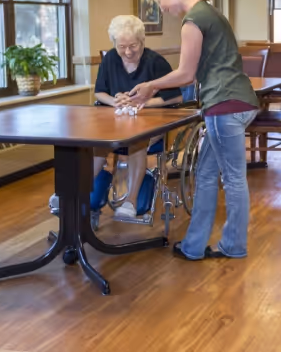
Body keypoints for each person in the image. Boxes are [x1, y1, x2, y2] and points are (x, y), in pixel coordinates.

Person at [129, 0, 259, 261]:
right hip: (236, 102)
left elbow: (186, 74)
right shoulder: (209, 13)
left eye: (159, 0)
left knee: (234, 179)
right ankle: (194, 246)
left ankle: (234, 246)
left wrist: (150, 85)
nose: (161, 8)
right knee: (206, 173)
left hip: (224, 105)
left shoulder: (193, 20)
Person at [48, 16, 181, 220]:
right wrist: (115, 101)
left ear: (142, 41)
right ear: (114, 44)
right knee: (98, 145)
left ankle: (131, 201)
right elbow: (100, 92)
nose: (128, 52)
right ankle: (72, 193)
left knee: (137, 141)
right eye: (122, 47)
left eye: (133, 46)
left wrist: (142, 103)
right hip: (118, 120)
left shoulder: (156, 62)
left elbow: (175, 96)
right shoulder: (110, 58)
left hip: (151, 122)